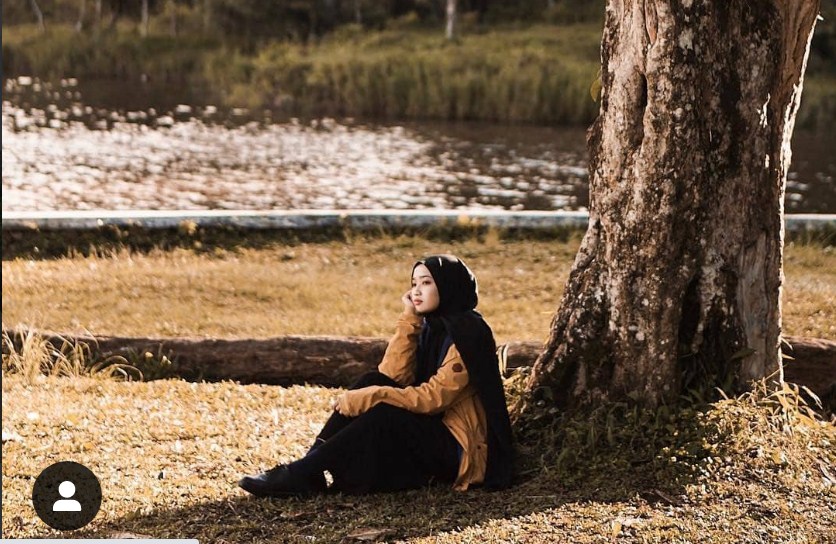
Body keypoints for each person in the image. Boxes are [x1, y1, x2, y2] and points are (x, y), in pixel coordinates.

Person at [238, 254, 514, 497]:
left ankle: (302, 472)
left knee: (383, 409)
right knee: (372, 381)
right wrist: (410, 319)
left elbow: (433, 399)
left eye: (427, 283)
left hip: (461, 449)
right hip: (434, 431)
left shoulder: (468, 334)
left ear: (448, 284)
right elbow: (392, 375)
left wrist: (373, 397)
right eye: (414, 283)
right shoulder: (434, 325)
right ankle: (309, 468)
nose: (416, 291)